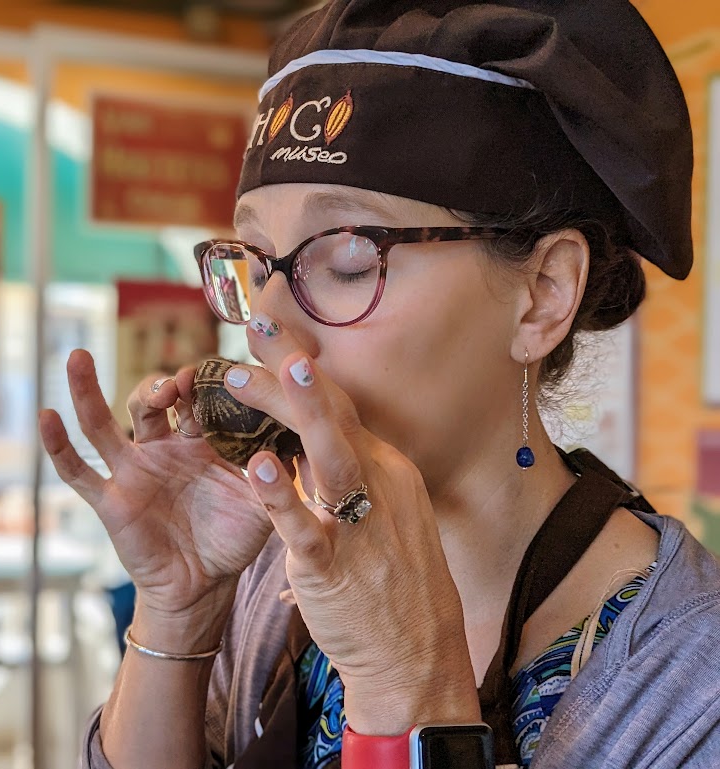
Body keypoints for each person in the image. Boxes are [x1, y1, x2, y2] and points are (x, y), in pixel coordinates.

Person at [39, 2, 720, 767]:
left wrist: (410, 684)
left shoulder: (690, 680)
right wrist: (180, 611)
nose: (265, 317)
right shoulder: (277, 568)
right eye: (259, 260)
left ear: (543, 294)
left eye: (350, 256)